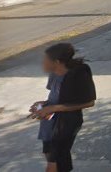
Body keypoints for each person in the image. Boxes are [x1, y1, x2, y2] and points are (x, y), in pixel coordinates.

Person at [29, 43, 97, 172]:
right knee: (55, 159)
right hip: (50, 123)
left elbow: (89, 102)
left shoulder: (79, 74)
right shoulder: (54, 73)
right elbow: (55, 97)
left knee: (54, 162)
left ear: (57, 62)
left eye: (45, 60)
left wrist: (54, 108)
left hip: (66, 124)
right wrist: (43, 105)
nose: (43, 63)